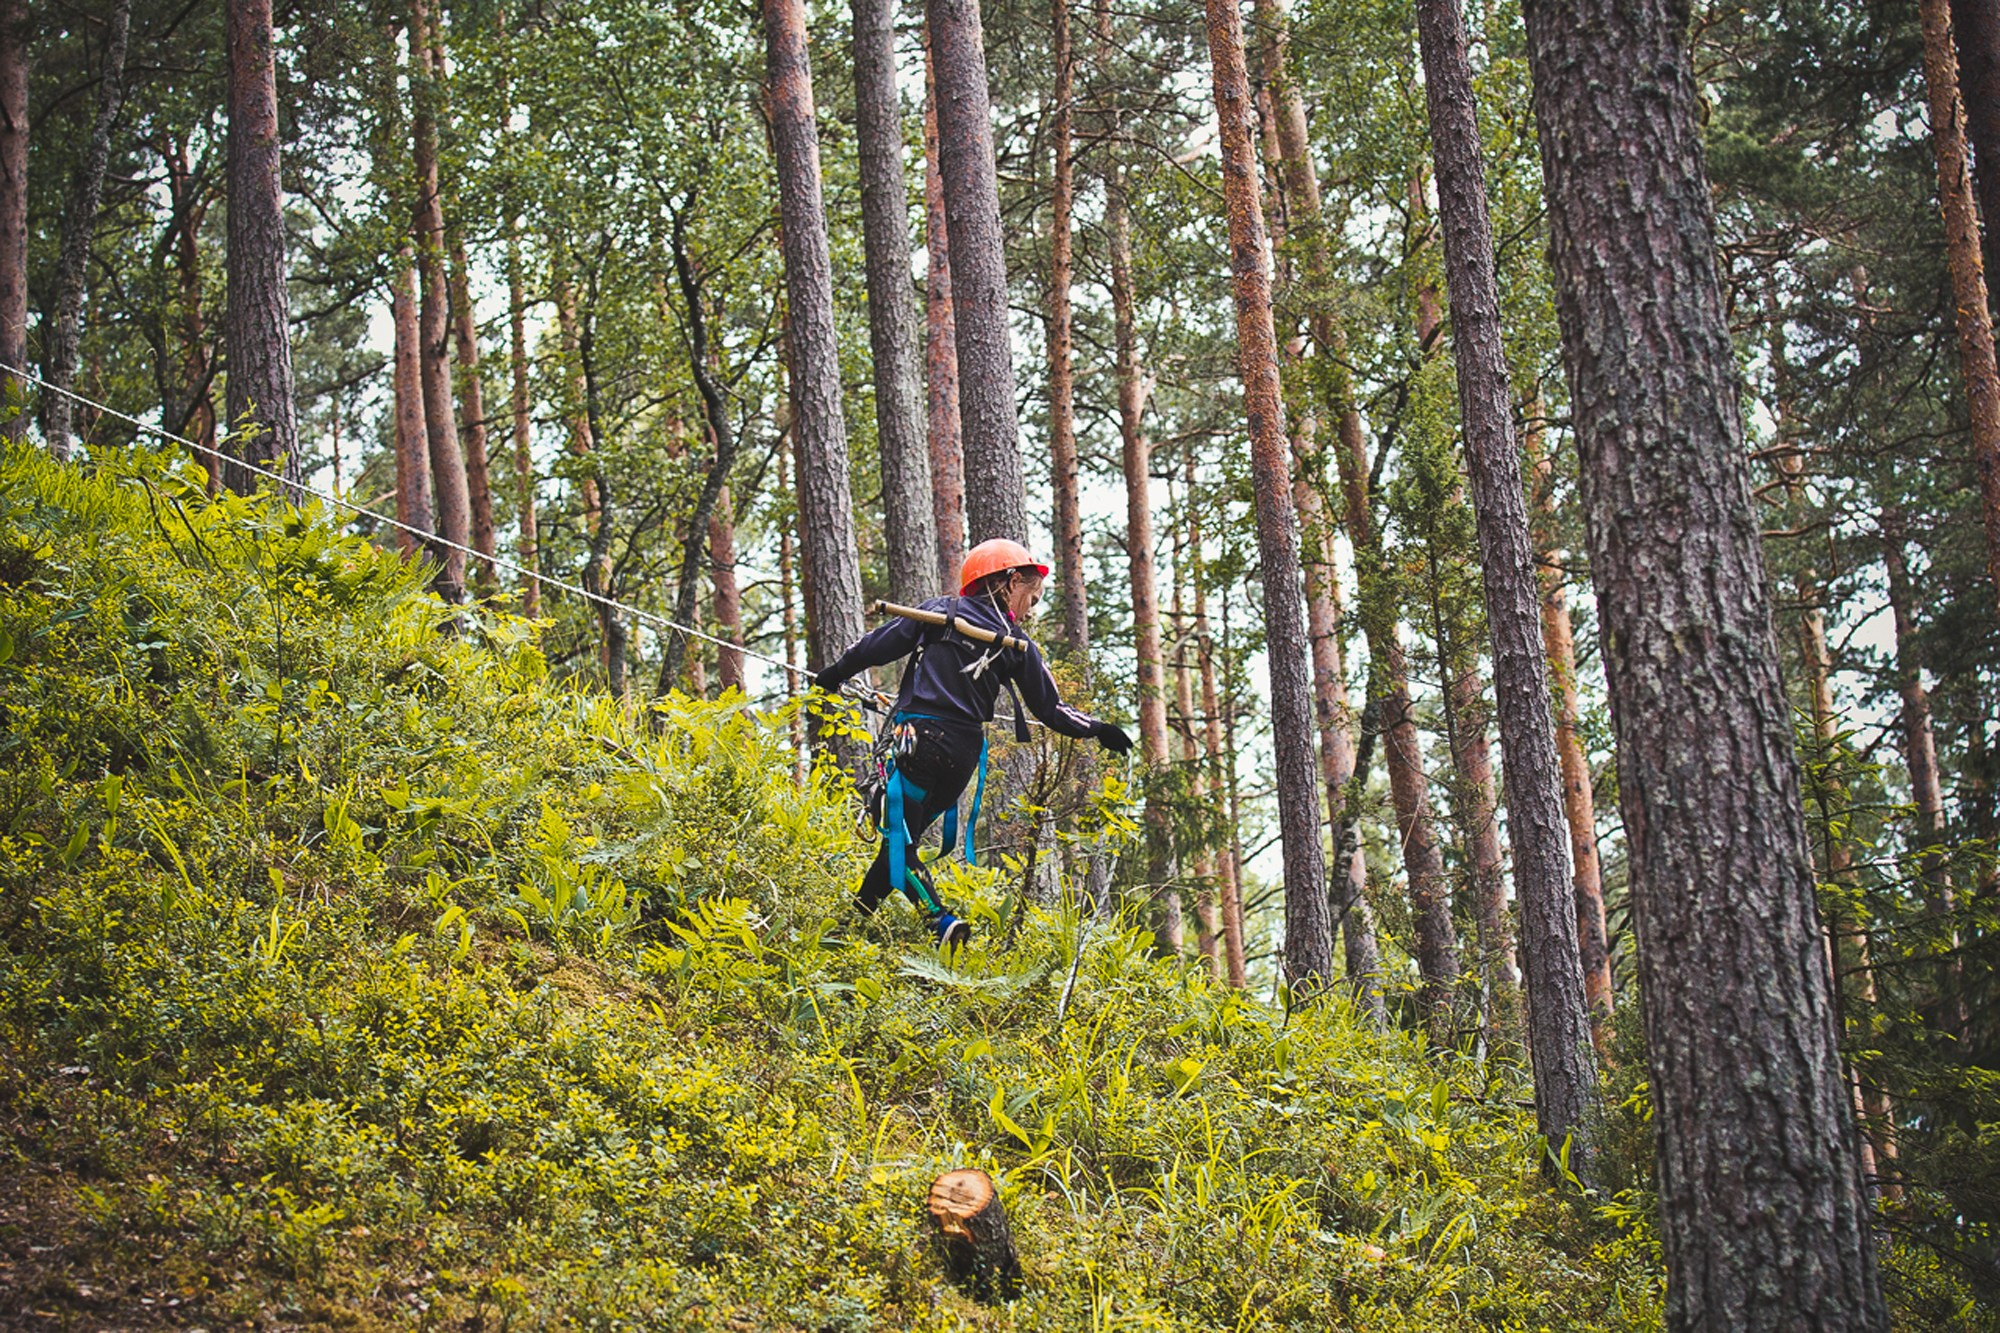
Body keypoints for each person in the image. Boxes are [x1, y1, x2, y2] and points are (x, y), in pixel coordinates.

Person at [813, 538, 1133, 946]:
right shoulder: (1016, 644)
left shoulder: (940, 612)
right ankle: (850, 928)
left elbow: (877, 646)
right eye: (1031, 598)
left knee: (897, 843)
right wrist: (1098, 728)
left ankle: (941, 922)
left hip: (920, 745)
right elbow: (1051, 709)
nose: (1029, 611)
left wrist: (835, 673)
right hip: (961, 758)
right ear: (1010, 581)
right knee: (899, 844)